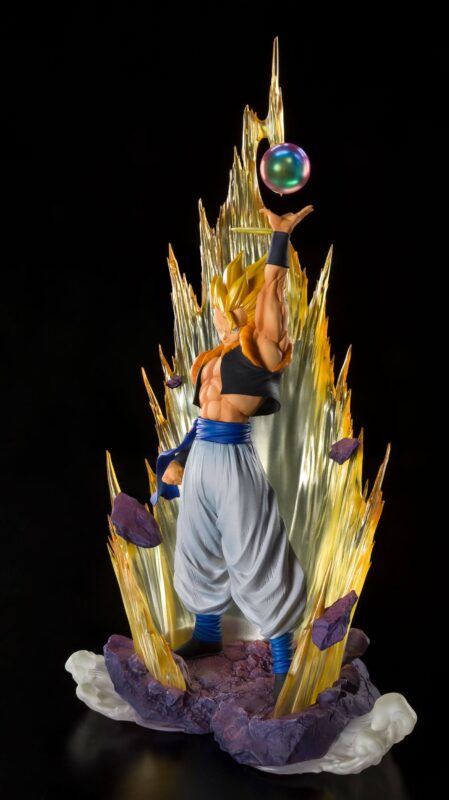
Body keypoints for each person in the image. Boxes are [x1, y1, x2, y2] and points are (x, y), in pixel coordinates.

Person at [151, 204, 313, 702]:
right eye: (221, 305)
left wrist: (280, 240)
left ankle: (283, 656)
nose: (221, 313)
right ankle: (207, 633)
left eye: (231, 305)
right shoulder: (211, 360)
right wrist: (176, 461)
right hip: (203, 455)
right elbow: (201, 420)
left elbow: (273, 294)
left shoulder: (259, 349)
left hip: (235, 463)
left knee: (254, 551)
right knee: (195, 544)